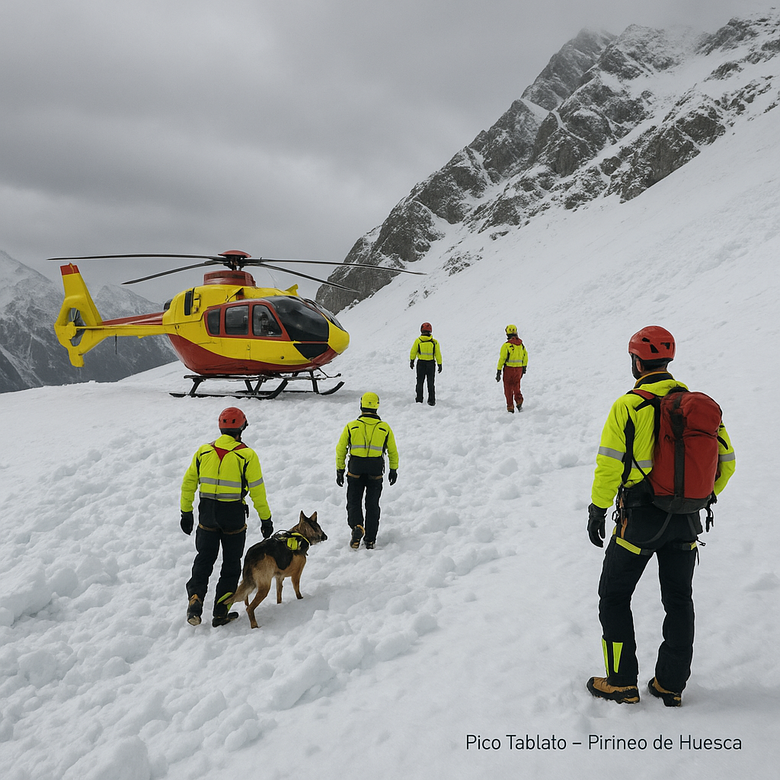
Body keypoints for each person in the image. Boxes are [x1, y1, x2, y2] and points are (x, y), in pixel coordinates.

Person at [586, 326, 736, 706]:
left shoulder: (629, 406)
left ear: (637, 362)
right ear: (667, 361)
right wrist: (700, 496)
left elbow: (608, 467)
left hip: (639, 521)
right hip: (686, 519)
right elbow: (727, 464)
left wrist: (597, 509)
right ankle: (670, 685)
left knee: (614, 596)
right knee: (679, 600)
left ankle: (621, 682)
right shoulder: (698, 406)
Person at [180, 407, 273, 627]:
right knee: (231, 565)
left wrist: (186, 512)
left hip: (207, 515)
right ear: (241, 428)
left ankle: (195, 598)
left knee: (203, 559)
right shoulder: (246, 455)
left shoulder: (203, 452)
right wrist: (266, 519)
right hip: (233, 517)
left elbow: (188, 483)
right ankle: (221, 611)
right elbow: (258, 491)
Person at [336, 392, 399, 549]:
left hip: (355, 469)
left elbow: (340, 449)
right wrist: (393, 469)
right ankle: (370, 539)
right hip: (375, 470)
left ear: (361, 405)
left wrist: (339, 469)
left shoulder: (351, 426)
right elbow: (392, 451)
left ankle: (357, 526)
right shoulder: (384, 428)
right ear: (377, 406)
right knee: (372, 504)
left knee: (353, 501)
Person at [495, 324, 528, 412]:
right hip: (519, 369)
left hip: (509, 369)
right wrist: (524, 367)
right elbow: (525, 356)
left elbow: (502, 358)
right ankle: (519, 400)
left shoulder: (506, 346)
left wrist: (498, 370)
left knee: (508, 387)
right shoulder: (521, 345)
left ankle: (510, 407)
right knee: (516, 385)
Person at [410, 322, 443, 406]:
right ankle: (431, 400)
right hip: (431, 364)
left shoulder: (418, 341)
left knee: (419, 382)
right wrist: (440, 364)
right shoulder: (434, 342)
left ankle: (419, 399)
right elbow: (438, 354)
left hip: (421, 363)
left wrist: (412, 360)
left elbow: (413, 351)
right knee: (430, 382)